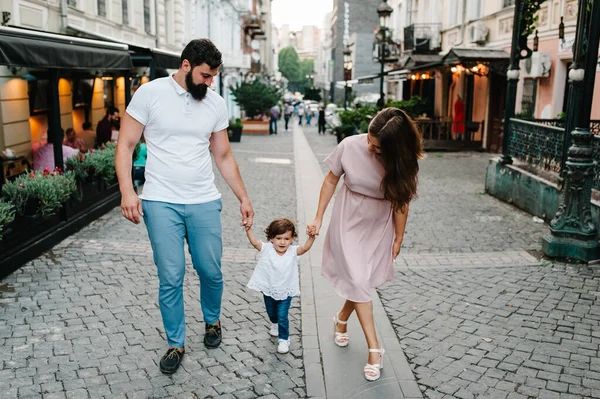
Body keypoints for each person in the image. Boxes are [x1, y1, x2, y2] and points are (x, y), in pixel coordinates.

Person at [115, 38, 254, 375]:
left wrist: (243, 196)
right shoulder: (150, 94)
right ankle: (176, 343)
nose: (211, 82)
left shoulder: (216, 104)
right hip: (160, 201)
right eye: (206, 75)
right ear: (187, 66)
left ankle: (212, 320)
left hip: (204, 199)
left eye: (214, 76)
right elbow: (126, 145)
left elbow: (222, 155)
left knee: (211, 270)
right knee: (171, 276)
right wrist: (127, 191)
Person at [307, 107, 423, 382]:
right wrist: (318, 217)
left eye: (377, 146)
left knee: (360, 280)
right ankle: (375, 348)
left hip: (378, 224)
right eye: (370, 139)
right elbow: (330, 180)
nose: (370, 146)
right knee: (359, 279)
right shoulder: (349, 145)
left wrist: (399, 237)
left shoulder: (402, 162)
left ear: (395, 148)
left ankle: (341, 318)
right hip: (348, 218)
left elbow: (401, 202)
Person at [245, 218, 316, 354]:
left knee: (282, 315)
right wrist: (248, 230)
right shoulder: (266, 249)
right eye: (278, 238)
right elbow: (254, 242)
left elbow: (305, 248)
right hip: (269, 288)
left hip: (286, 290)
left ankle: (284, 339)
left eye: (286, 238)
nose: (282, 242)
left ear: (292, 238)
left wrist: (311, 237)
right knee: (271, 312)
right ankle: (274, 324)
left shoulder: (293, 251)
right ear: (271, 238)